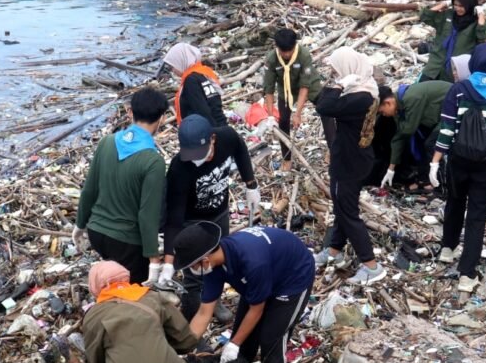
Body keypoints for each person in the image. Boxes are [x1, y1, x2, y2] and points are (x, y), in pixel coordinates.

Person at [171, 223, 315, 363]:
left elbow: (258, 309)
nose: (191, 271)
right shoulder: (213, 266)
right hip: (258, 282)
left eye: (191, 266)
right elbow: (204, 312)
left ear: (203, 260)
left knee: (270, 342)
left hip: (291, 281)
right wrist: (184, 347)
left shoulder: (252, 261)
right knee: (243, 339)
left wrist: (233, 343)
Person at [429, 43, 486, 293]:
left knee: (455, 202)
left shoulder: (458, 90)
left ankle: (447, 248)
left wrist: (435, 161)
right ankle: (467, 274)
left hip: (458, 160)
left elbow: (446, 129)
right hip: (485, 164)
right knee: (477, 217)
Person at [158, 114, 260, 321]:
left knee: (217, 261)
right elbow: (175, 216)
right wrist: (170, 257)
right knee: (195, 273)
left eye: (200, 153)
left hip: (219, 212)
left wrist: (251, 185)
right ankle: (192, 315)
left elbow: (241, 149)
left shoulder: (227, 137)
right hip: (192, 222)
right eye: (191, 154)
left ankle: (214, 301)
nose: (196, 159)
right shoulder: (179, 168)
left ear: (212, 139)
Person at [73, 87, 168, 285]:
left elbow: (89, 190)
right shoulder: (153, 161)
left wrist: (80, 224)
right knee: (131, 294)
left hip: (97, 233)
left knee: (113, 281)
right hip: (127, 243)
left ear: (130, 112)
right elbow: (147, 214)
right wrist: (153, 259)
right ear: (162, 118)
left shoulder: (106, 143)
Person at [314, 47, 387, 285]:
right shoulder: (365, 89)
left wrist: (338, 85)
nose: (334, 73)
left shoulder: (359, 97)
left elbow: (323, 107)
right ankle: (333, 250)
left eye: (336, 69)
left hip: (349, 162)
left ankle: (371, 266)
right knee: (341, 207)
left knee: (347, 212)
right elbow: (324, 100)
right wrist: (339, 83)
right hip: (357, 157)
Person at [263, 28, 335, 172]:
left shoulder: (303, 54)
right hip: (286, 88)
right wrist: (270, 115)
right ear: (277, 47)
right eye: (284, 51)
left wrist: (298, 114)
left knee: (326, 111)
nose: (287, 54)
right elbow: (269, 89)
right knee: (283, 121)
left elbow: (305, 86)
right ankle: (287, 158)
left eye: (290, 50)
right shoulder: (271, 59)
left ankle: (333, 150)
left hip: (309, 84)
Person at [378, 80, 453, 189]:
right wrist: (391, 169)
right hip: (436, 113)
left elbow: (407, 130)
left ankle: (441, 187)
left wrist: (391, 168)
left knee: (431, 144)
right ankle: (424, 180)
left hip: (453, 110)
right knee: (419, 142)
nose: (383, 115)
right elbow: (400, 137)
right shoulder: (398, 105)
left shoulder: (412, 98)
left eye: (382, 112)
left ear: (388, 103)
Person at [418, 0, 486, 83]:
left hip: (456, 70)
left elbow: (482, 35)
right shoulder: (448, 16)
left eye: (461, 6)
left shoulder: (474, 23)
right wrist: (443, 4)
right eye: (455, 5)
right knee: (421, 88)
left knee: (447, 95)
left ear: (470, 5)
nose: (458, 8)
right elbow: (425, 16)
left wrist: (481, 14)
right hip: (436, 64)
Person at [163, 42, 227, 128]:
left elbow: (202, 110)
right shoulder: (203, 72)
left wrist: (211, 135)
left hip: (209, 130)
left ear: (181, 61)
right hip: (221, 124)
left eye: (173, 66)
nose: (172, 70)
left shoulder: (190, 81)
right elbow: (214, 102)